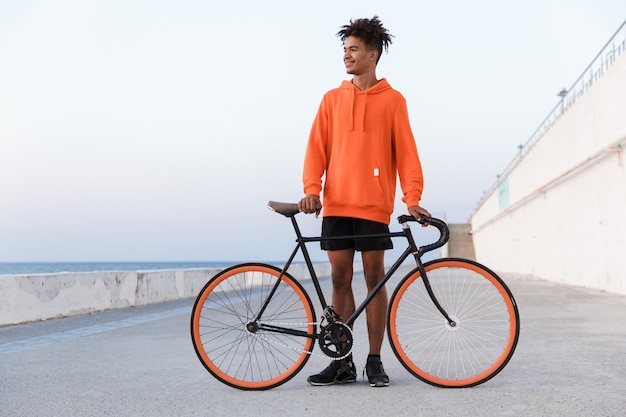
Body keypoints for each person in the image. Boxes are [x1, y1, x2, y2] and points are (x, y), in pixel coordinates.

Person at [298, 16, 431, 388]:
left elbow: (407, 154)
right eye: (344, 50)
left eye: (353, 50)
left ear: (373, 55)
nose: (346, 56)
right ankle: (342, 362)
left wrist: (413, 198)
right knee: (340, 279)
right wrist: (312, 188)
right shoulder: (331, 99)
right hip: (337, 204)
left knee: (374, 279)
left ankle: (374, 360)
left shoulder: (393, 101)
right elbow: (316, 150)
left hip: (373, 206)